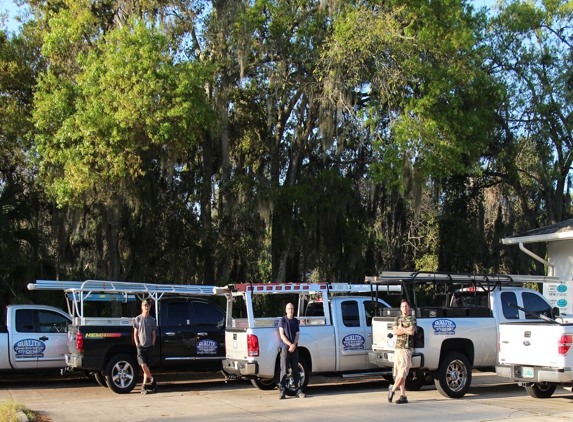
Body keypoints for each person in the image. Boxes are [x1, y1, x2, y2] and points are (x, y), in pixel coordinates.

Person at [388, 298, 416, 404]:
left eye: (406, 306)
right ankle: (403, 395)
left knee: (403, 373)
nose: (404, 308)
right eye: (403, 306)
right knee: (399, 373)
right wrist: (405, 330)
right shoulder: (397, 318)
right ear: (400, 308)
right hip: (398, 348)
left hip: (406, 348)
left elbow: (412, 331)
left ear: (409, 307)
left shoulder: (412, 319)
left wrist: (402, 329)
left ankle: (393, 389)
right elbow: (395, 331)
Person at [277, 302, 305, 399]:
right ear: (286, 310)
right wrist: (289, 344)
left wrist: (294, 345)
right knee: (284, 370)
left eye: (292, 308)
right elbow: (282, 335)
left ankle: (299, 391)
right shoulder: (282, 321)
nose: (291, 310)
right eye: (289, 308)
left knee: (296, 370)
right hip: (285, 348)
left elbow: (297, 335)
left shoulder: (295, 321)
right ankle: (282, 392)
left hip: (294, 348)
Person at [133, 299, 157, 394]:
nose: (146, 307)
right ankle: (152, 379)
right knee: (143, 365)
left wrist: (153, 343)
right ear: (142, 307)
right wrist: (137, 344)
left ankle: (143, 386)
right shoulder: (137, 319)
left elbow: (154, 333)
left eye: (148, 306)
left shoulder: (151, 320)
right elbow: (135, 334)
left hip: (149, 346)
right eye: (145, 306)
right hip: (141, 346)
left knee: (146, 367)